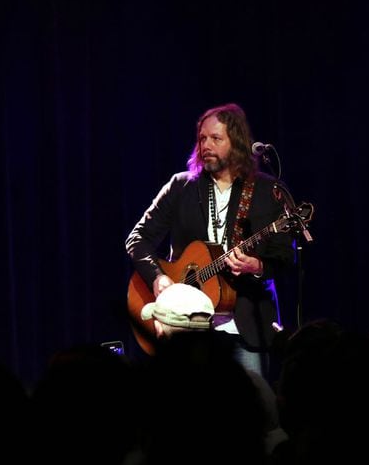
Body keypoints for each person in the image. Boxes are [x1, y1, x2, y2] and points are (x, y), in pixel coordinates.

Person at [126, 102, 294, 380]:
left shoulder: (267, 191)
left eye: (216, 138)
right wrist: (157, 278)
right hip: (187, 329)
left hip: (245, 326)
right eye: (202, 138)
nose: (206, 145)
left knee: (248, 414)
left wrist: (258, 266)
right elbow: (138, 238)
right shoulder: (182, 186)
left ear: (237, 141)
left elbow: (285, 257)